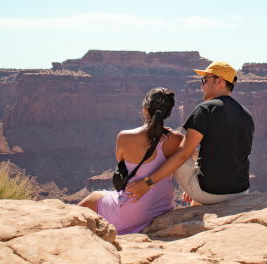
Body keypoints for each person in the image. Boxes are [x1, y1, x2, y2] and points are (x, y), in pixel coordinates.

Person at [126, 61, 254, 205]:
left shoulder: (206, 109)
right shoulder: (246, 114)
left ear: (220, 81)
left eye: (205, 80)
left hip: (210, 193)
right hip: (241, 191)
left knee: (173, 145)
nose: (202, 86)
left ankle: (146, 204)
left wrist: (147, 182)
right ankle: (196, 198)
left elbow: (183, 154)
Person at [77, 87, 184, 235]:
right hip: (162, 206)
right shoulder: (177, 139)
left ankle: (61, 233)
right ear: (168, 112)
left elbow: (120, 160)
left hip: (134, 210)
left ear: (145, 110)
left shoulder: (125, 137)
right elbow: (190, 155)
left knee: (92, 198)